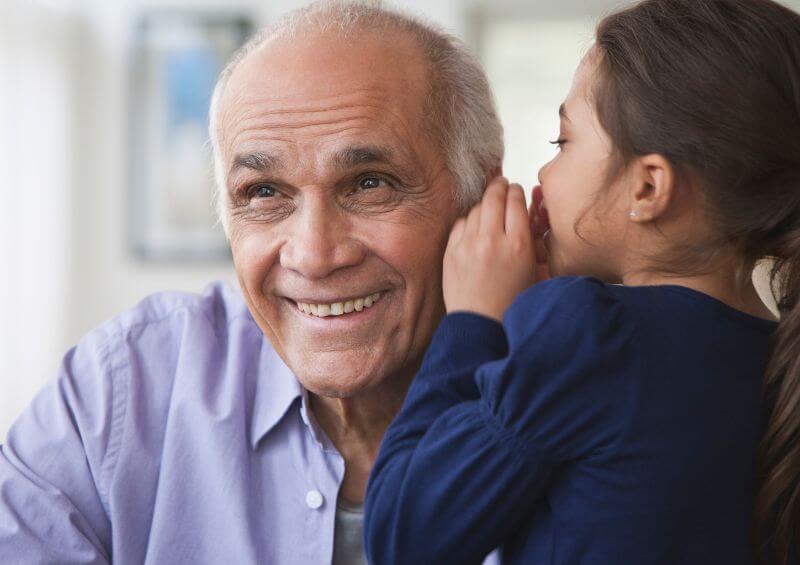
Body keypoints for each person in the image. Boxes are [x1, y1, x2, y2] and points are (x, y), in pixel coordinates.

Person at [0, 2, 505, 563]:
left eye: (369, 183)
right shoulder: (122, 391)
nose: (314, 256)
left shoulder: (576, 389)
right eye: (264, 192)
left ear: (484, 199)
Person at [364, 0, 800, 563]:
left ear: (647, 189)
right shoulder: (777, 352)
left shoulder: (590, 332)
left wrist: (476, 320)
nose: (544, 172)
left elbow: (402, 537)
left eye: (562, 143)